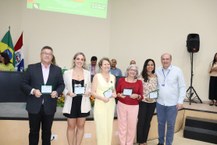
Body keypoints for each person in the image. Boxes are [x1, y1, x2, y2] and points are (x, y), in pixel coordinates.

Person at [22, 46, 65, 145]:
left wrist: (57, 92)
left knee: (47, 132)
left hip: (49, 106)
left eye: (49, 54)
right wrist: (33, 91)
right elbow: (23, 84)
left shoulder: (57, 70)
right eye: (45, 53)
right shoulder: (31, 68)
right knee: (33, 132)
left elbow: (61, 84)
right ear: (41, 55)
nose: (47, 55)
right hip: (34, 106)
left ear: (52, 56)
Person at [156, 53, 186, 145]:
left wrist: (180, 101)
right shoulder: (157, 71)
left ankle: (169, 143)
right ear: (161, 60)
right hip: (160, 103)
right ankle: (160, 142)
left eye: (167, 59)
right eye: (163, 59)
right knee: (160, 124)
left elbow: (182, 86)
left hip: (173, 104)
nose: (165, 61)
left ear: (170, 60)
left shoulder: (177, 71)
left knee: (170, 125)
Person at [62, 52, 91, 145]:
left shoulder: (87, 73)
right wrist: (68, 93)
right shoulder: (67, 73)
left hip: (83, 102)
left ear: (84, 61)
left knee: (81, 126)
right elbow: (63, 87)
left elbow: (89, 87)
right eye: (78, 59)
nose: (80, 61)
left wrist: (88, 92)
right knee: (71, 126)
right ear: (74, 60)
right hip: (71, 102)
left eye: (82, 59)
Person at [91, 57, 117, 145]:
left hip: (110, 104)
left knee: (109, 127)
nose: (107, 66)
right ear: (101, 66)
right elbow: (93, 92)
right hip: (100, 104)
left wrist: (115, 94)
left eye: (108, 64)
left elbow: (114, 91)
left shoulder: (113, 77)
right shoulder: (97, 76)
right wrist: (102, 98)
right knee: (101, 128)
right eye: (105, 64)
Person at [116, 64, 143, 145]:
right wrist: (119, 95)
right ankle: (122, 143)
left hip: (134, 107)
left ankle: (129, 143)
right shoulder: (121, 80)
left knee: (132, 127)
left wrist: (137, 96)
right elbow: (117, 92)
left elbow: (141, 96)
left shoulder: (139, 82)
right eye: (131, 69)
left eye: (135, 70)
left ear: (136, 73)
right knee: (122, 126)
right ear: (127, 71)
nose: (132, 72)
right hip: (122, 105)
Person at [137, 59, 157, 145]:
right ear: (145, 66)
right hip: (143, 102)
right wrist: (146, 98)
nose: (150, 66)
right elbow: (138, 90)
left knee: (148, 122)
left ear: (154, 66)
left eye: (152, 65)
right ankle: (140, 141)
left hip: (153, 102)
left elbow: (157, 89)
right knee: (141, 121)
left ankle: (144, 140)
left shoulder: (156, 76)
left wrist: (153, 98)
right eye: (148, 65)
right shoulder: (140, 76)